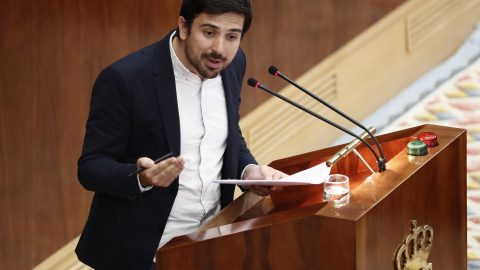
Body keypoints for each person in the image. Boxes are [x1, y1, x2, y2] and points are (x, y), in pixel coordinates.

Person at [75, 0, 287, 269]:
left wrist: (248, 170)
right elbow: (91, 167)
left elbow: (227, 134)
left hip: (210, 242)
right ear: (184, 26)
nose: (219, 49)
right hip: (144, 255)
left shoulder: (232, 64)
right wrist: (142, 178)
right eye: (209, 33)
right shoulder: (124, 79)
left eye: (232, 36)